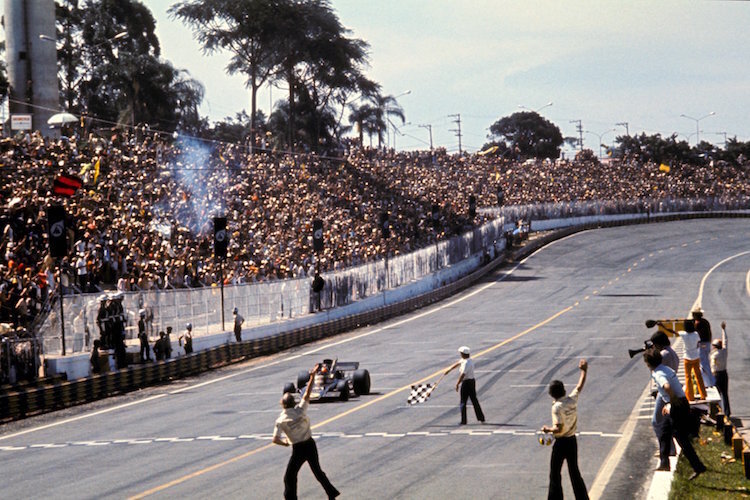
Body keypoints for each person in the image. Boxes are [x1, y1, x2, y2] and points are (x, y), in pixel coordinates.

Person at [272, 363, 340, 500]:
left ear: (283, 404)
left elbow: (275, 439)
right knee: (318, 472)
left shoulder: (281, 420)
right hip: (310, 444)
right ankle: (331, 493)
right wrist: (313, 375)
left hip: (298, 449)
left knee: (289, 476)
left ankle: (291, 498)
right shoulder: (300, 409)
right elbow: (308, 392)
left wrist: (285, 443)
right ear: (293, 402)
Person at [643, 348, 706, 480]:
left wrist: (671, 402)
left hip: (677, 405)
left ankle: (698, 466)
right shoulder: (665, 369)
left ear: (648, 363)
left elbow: (666, 386)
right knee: (664, 431)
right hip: (680, 403)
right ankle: (664, 462)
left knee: (680, 438)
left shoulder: (658, 373)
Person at [541, 359, 589, 500]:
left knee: (555, 473)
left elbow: (558, 428)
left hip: (561, 443)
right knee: (574, 472)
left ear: (551, 394)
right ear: (564, 390)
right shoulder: (571, 400)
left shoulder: (556, 407)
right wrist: (584, 371)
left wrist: (547, 430)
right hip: (572, 440)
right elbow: (580, 386)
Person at [650, 330, 678, 466]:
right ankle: (669, 448)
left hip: (665, 393)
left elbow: (657, 368)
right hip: (671, 389)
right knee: (666, 423)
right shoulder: (672, 352)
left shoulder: (663, 355)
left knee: (657, 422)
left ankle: (667, 449)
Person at [444, 346, 485, 425]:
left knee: (463, 401)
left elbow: (463, 374)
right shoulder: (468, 360)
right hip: (472, 382)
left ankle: (464, 420)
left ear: (463, 354)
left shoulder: (466, 363)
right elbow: (457, 363)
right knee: (474, 400)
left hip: (467, 383)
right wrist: (449, 370)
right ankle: (481, 417)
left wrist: (457, 383)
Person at [677, 321, 707, 402]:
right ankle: (703, 394)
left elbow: (672, 331)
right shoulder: (696, 334)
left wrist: (663, 326)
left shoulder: (683, 334)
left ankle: (690, 397)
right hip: (696, 357)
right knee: (698, 376)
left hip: (687, 358)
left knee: (688, 377)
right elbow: (698, 343)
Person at [710, 321, 730, 417]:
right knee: (725, 394)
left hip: (716, 375)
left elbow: (712, 366)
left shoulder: (714, 355)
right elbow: (725, 340)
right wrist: (723, 329)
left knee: (716, 395)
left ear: (715, 346)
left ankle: (717, 413)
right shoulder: (724, 351)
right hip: (724, 374)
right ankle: (727, 413)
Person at [692, 307, 715, 387]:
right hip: (707, 343)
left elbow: (695, 334)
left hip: (702, 345)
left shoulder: (697, 323)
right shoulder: (705, 321)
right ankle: (708, 381)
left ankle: (710, 382)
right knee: (705, 363)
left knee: (703, 364)